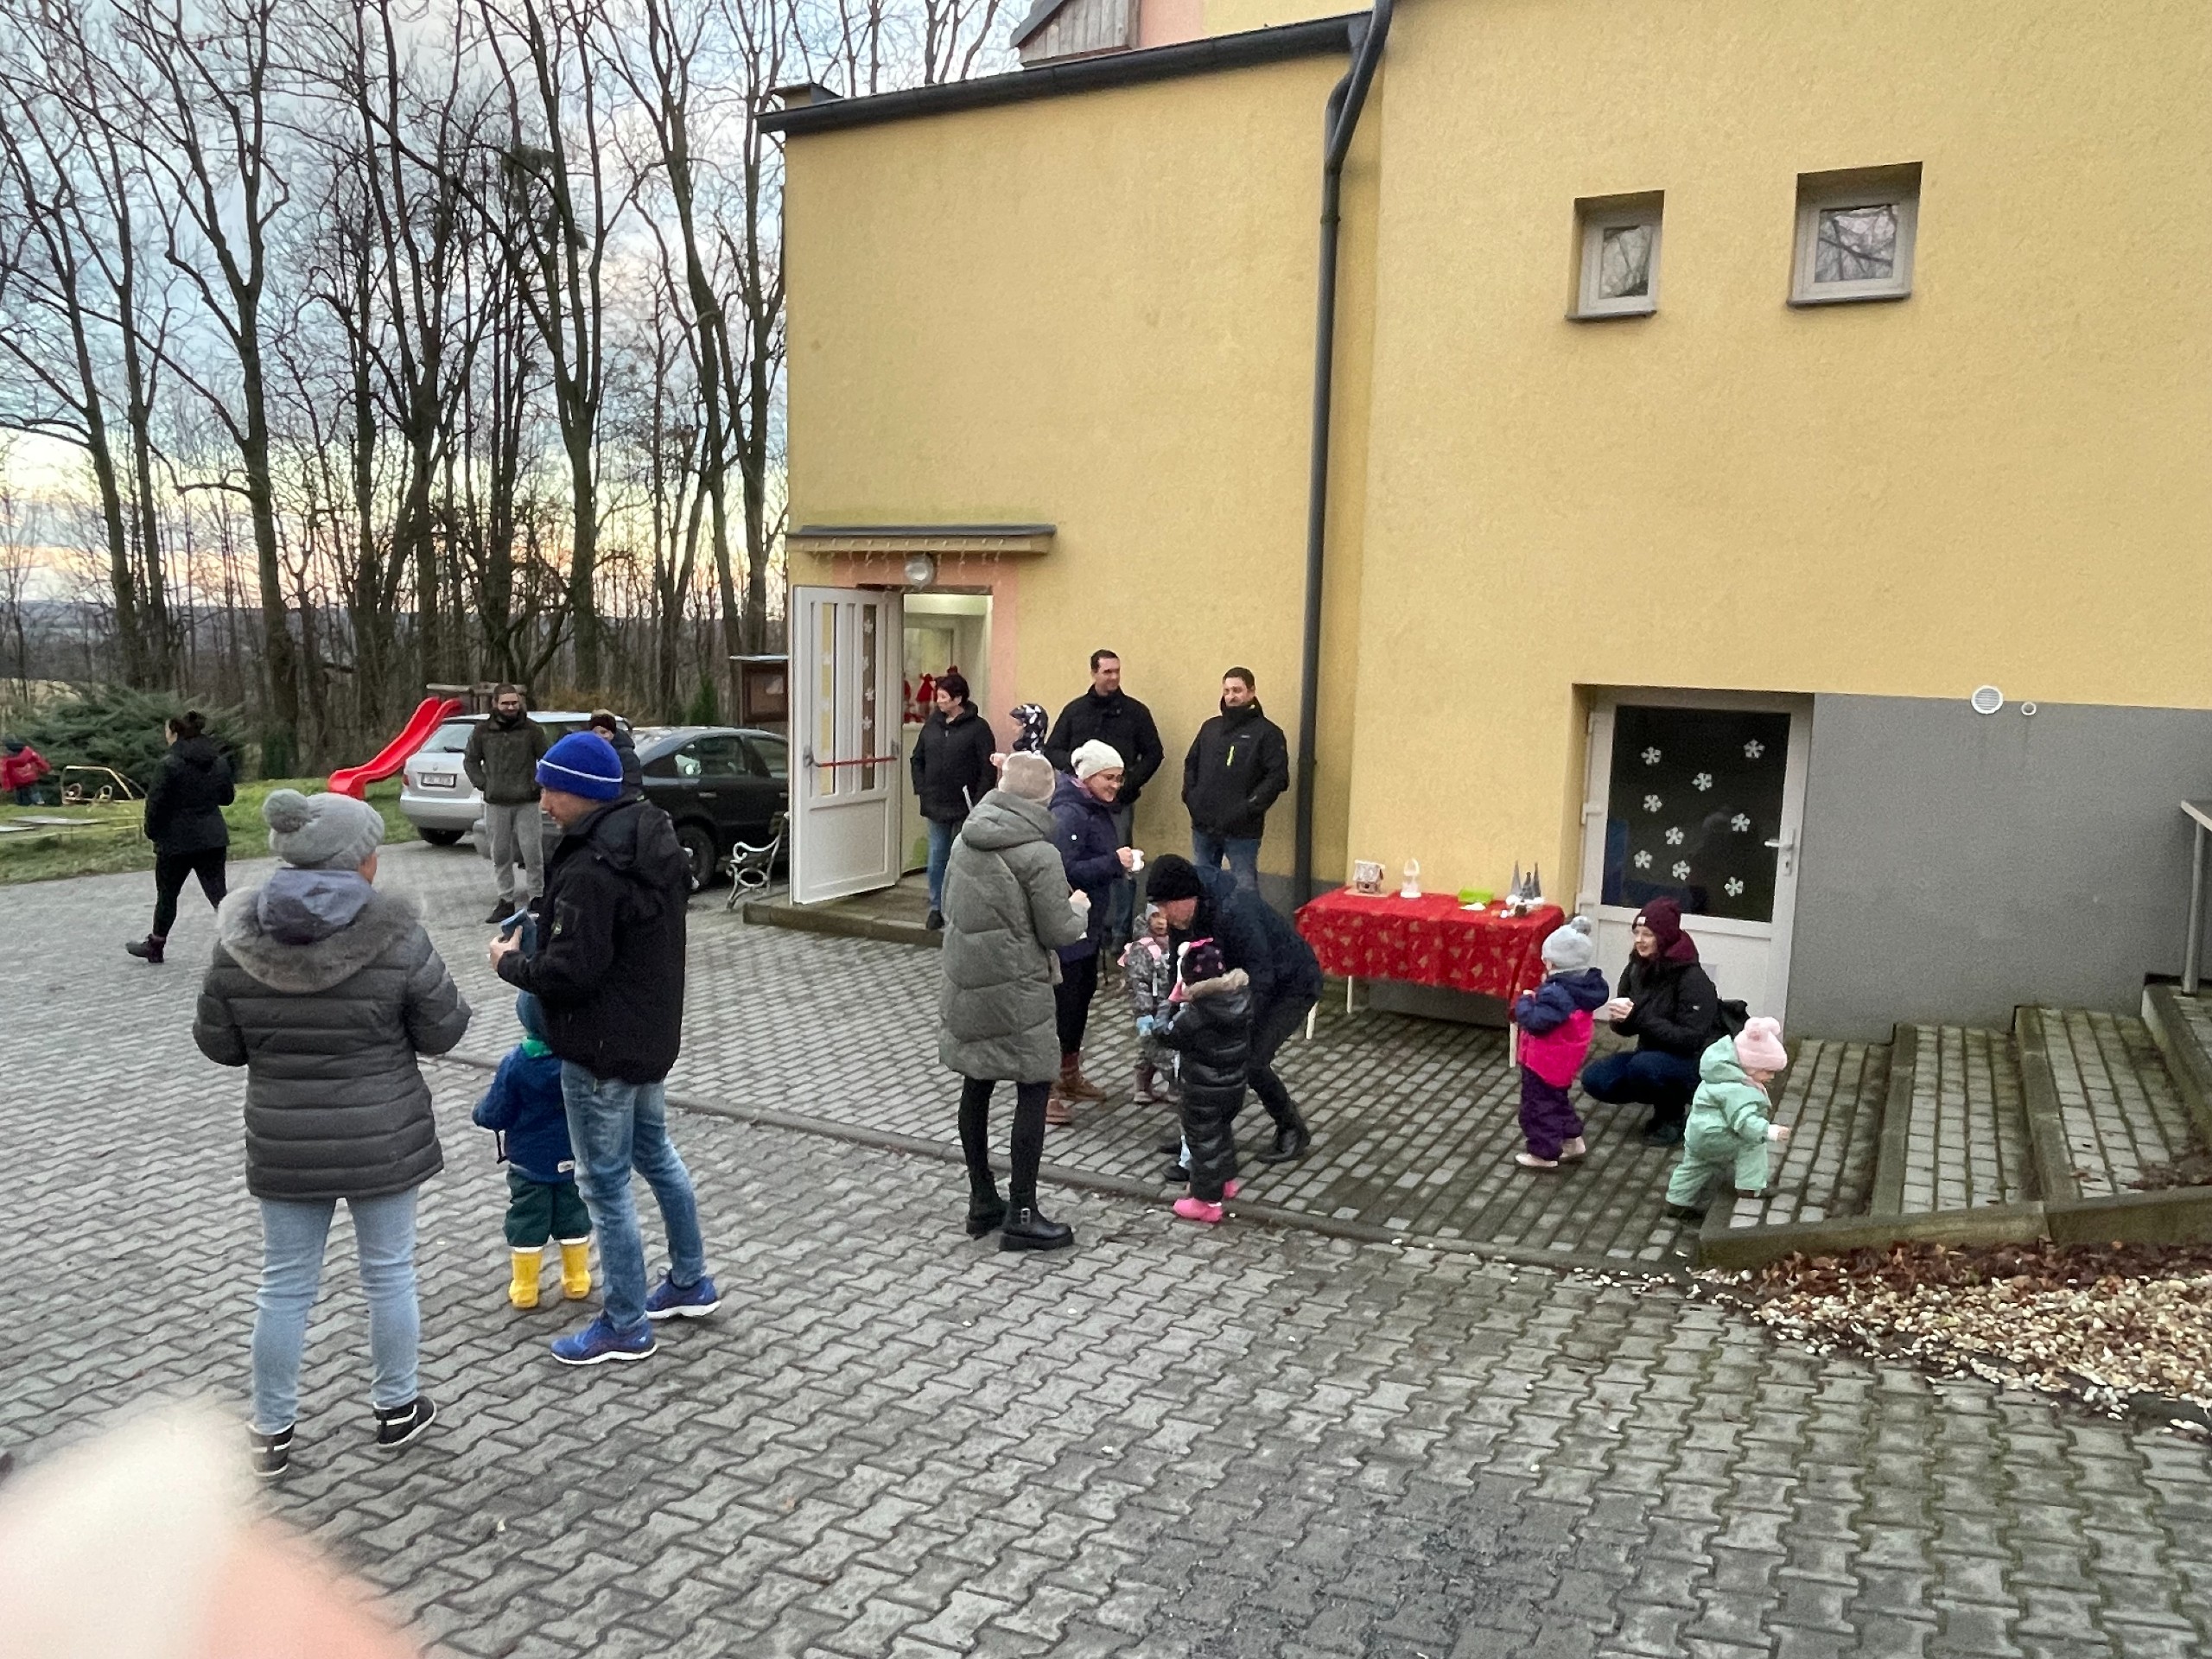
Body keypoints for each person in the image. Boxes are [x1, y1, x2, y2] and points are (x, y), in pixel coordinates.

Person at [193, 788, 472, 1479]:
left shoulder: (238, 939)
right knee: (389, 1274)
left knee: (284, 1285)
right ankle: (397, 1408)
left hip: (284, 1140)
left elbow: (219, 1044)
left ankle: (270, 1432)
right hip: (383, 1135)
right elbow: (443, 1030)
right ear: (358, 860)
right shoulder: (399, 935)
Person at [493, 730, 718, 1364]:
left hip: (598, 1050)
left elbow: (570, 974)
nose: (542, 801)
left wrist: (509, 964)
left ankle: (624, 1323)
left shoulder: (593, 866)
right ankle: (689, 1281)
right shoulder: (650, 840)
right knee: (657, 1156)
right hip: (648, 1038)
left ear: (583, 792)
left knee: (604, 1185)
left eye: (551, 789)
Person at [937, 750, 1088, 1250]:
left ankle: (983, 1199)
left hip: (967, 980)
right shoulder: (1039, 854)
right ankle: (1023, 1212)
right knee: (1034, 1086)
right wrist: (1079, 908)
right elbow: (1059, 930)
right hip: (1019, 988)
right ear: (1043, 799)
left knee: (977, 1081)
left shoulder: (965, 839)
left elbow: (947, 904)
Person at [1143, 853, 1319, 1164]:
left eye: (1167, 906)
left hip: (1291, 983)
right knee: (1200, 1055)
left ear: (1188, 897)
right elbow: (1179, 965)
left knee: (1250, 1059)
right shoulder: (1186, 913)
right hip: (1245, 981)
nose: (1164, 916)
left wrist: (1235, 1023)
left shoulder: (1235, 910)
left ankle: (1292, 1128)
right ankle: (1199, 1136)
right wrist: (1170, 1008)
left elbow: (1261, 976)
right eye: (1160, 908)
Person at [471, 991, 593, 1310]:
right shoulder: (579, 1060)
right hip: (574, 1158)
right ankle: (577, 1280)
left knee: (526, 1220)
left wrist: (480, 1114)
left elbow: (496, 1111)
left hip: (529, 1162)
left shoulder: (516, 1063)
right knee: (574, 1216)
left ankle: (525, 1288)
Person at [1577, 898, 1725, 1147]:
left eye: (1647, 934)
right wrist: (1621, 1020)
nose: (1639, 940)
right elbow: (1627, 1027)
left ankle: (1672, 1117)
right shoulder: (1636, 968)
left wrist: (1638, 1017)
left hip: (1693, 1063)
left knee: (1644, 1067)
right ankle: (1658, 1096)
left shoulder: (1692, 979)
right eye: (1636, 932)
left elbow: (1690, 1039)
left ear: (1664, 937)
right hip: (1651, 1056)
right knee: (1596, 1079)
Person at [1045, 650, 1163, 944]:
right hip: (1080, 802)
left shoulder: (1136, 712)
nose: (1113, 677)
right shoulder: (1075, 711)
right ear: (1094, 673)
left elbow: (1154, 753)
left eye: (1117, 671)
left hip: (1118, 805)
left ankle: (1120, 933)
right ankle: (1087, 924)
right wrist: (1077, 766)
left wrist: (1127, 783)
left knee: (1122, 864)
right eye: (1107, 672)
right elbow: (1053, 749)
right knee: (1086, 861)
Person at [1047, 740, 1137, 1122]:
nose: (1115, 785)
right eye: (1108, 778)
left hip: (1088, 926)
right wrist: (1113, 863)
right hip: (1068, 929)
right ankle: (1046, 1089)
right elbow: (1061, 870)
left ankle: (1069, 1075)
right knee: (1062, 1007)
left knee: (1080, 1002)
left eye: (1119, 778)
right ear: (1087, 776)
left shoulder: (1095, 807)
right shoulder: (1069, 813)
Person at [1153, 940, 1251, 1225]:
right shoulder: (1240, 999)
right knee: (1221, 1133)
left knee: (1203, 1143)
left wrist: (1170, 1003)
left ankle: (1206, 1202)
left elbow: (1164, 1034)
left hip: (1202, 1091)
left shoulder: (1196, 1014)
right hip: (1233, 1086)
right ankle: (1226, 1181)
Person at [127, 710, 236, 964]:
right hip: (212, 837)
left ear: (174, 733)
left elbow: (155, 804)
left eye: (166, 731)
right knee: (219, 894)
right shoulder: (218, 762)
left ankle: (156, 946)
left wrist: (152, 832)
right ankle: (240, 941)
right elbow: (227, 798)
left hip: (175, 841)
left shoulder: (169, 764)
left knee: (167, 895)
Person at [1663, 1018, 1792, 1221]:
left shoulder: (1717, 1074)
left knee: (1696, 1164)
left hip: (1699, 1133)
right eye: (1768, 1071)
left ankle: (1677, 1201)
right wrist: (1769, 1131)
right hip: (1718, 1134)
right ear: (1750, 1065)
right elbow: (1744, 1121)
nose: (1771, 1077)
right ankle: (1751, 1186)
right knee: (1752, 1144)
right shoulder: (1739, 1090)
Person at [1510, 917, 1612, 1169]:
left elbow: (1536, 1021)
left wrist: (1525, 1002)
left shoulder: (1557, 993)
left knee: (1537, 1107)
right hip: (1562, 1061)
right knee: (1556, 1100)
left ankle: (1543, 1153)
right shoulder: (1583, 988)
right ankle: (1572, 1140)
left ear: (1553, 962)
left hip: (1544, 1061)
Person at [1181, 667, 1288, 893]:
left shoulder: (1267, 733)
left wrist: (1248, 809)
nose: (1231, 696)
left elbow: (1277, 778)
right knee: (1201, 886)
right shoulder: (1210, 728)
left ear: (1251, 692)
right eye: (1227, 691)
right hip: (1203, 825)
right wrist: (1191, 797)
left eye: (1237, 690)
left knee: (1244, 889)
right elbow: (1191, 763)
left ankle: (1247, 920)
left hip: (1242, 830)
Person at [909, 671, 997, 931]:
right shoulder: (932, 725)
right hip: (935, 803)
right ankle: (937, 907)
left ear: (958, 699)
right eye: (938, 697)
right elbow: (917, 759)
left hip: (965, 805)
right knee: (937, 856)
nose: (939, 702)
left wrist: (978, 801)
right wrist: (923, 789)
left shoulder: (978, 728)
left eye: (944, 697)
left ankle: (962, 908)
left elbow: (987, 768)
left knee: (964, 858)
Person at [464, 684, 550, 925]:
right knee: (500, 853)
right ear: (495, 704)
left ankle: (537, 898)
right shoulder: (482, 731)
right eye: (505, 703)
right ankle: (505, 900)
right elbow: (470, 761)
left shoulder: (532, 730)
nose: (510, 707)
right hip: (496, 802)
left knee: (532, 853)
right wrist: (484, 784)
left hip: (527, 801)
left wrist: (538, 783)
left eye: (514, 703)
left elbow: (547, 759)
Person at [1121, 903, 1179, 1105]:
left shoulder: (1174, 942)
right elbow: (1138, 982)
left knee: (1155, 1046)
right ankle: (1174, 1084)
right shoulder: (1142, 948)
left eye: (1164, 916)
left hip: (1170, 1004)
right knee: (1159, 1048)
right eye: (1155, 917)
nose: (1161, 922)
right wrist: (1144, 1012)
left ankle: (1144, 1082)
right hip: (1150, 1008)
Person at [588, 710, 642, 797]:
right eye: (595, 733)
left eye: (603, 732)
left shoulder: (626, 755)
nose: (599, 737)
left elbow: (632, 787)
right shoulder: (589, 752)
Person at [2, 736, 49, 804]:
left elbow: (5, 774)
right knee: (34, 791)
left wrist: (8, 787)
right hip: (31, 777)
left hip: (18, 781)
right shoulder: (29, 752)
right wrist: (45, 769)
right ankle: (39, 803)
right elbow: (39, 761)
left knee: (21, 796)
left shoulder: (7, 761)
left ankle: (24, 805)